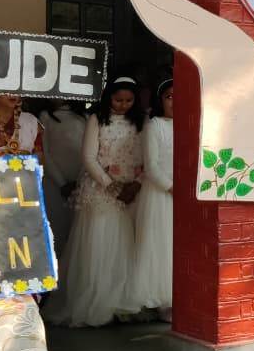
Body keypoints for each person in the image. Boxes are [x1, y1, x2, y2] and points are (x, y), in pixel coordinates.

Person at [45, 77, 145, 327]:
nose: (123, 105)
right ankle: (99, 303)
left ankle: (122, 303)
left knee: (127, 245)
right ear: (108, 97)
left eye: (128, 100)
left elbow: (147, 156)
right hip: (101, 191)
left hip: (131, 190)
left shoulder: (141, 121)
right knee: (100, 245)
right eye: (118, 100)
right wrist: (111, 186)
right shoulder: (96, 119)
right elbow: (89, 157)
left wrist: (136, 184)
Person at [130, 79, 174, 321]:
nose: (175, 102)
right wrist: (171, 187)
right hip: (160, 193)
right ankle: (160, 300)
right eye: (169, 97)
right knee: (159, 244)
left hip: (184, 194)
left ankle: (178, 296)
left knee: (176, 245)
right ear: (160, 100)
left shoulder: (192, 123)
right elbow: (151, 165)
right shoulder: (154, 126)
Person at [37, 101, 86, 256]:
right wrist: (62, 183)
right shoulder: (45, 116)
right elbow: (45, 152)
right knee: (55, 225)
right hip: (53, 181)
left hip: (80, 181)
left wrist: (80, 180)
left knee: (76, 229)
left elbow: (88, 152)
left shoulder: (85, 117)